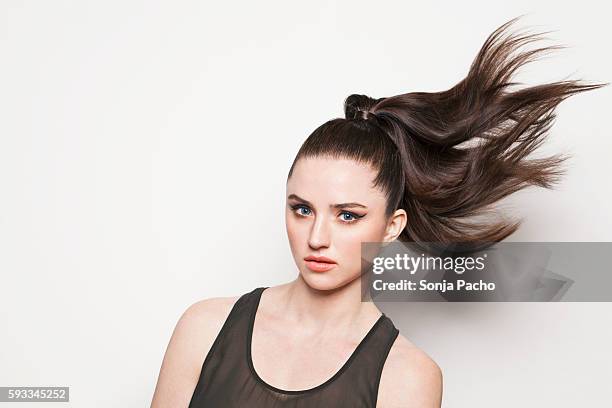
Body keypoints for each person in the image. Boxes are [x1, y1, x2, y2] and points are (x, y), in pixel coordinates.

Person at [150, 16, 606, 407]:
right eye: (302, 209)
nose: (316, 237)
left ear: (392, 226)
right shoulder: (204, 328)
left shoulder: (407, 377)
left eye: (347, 215)